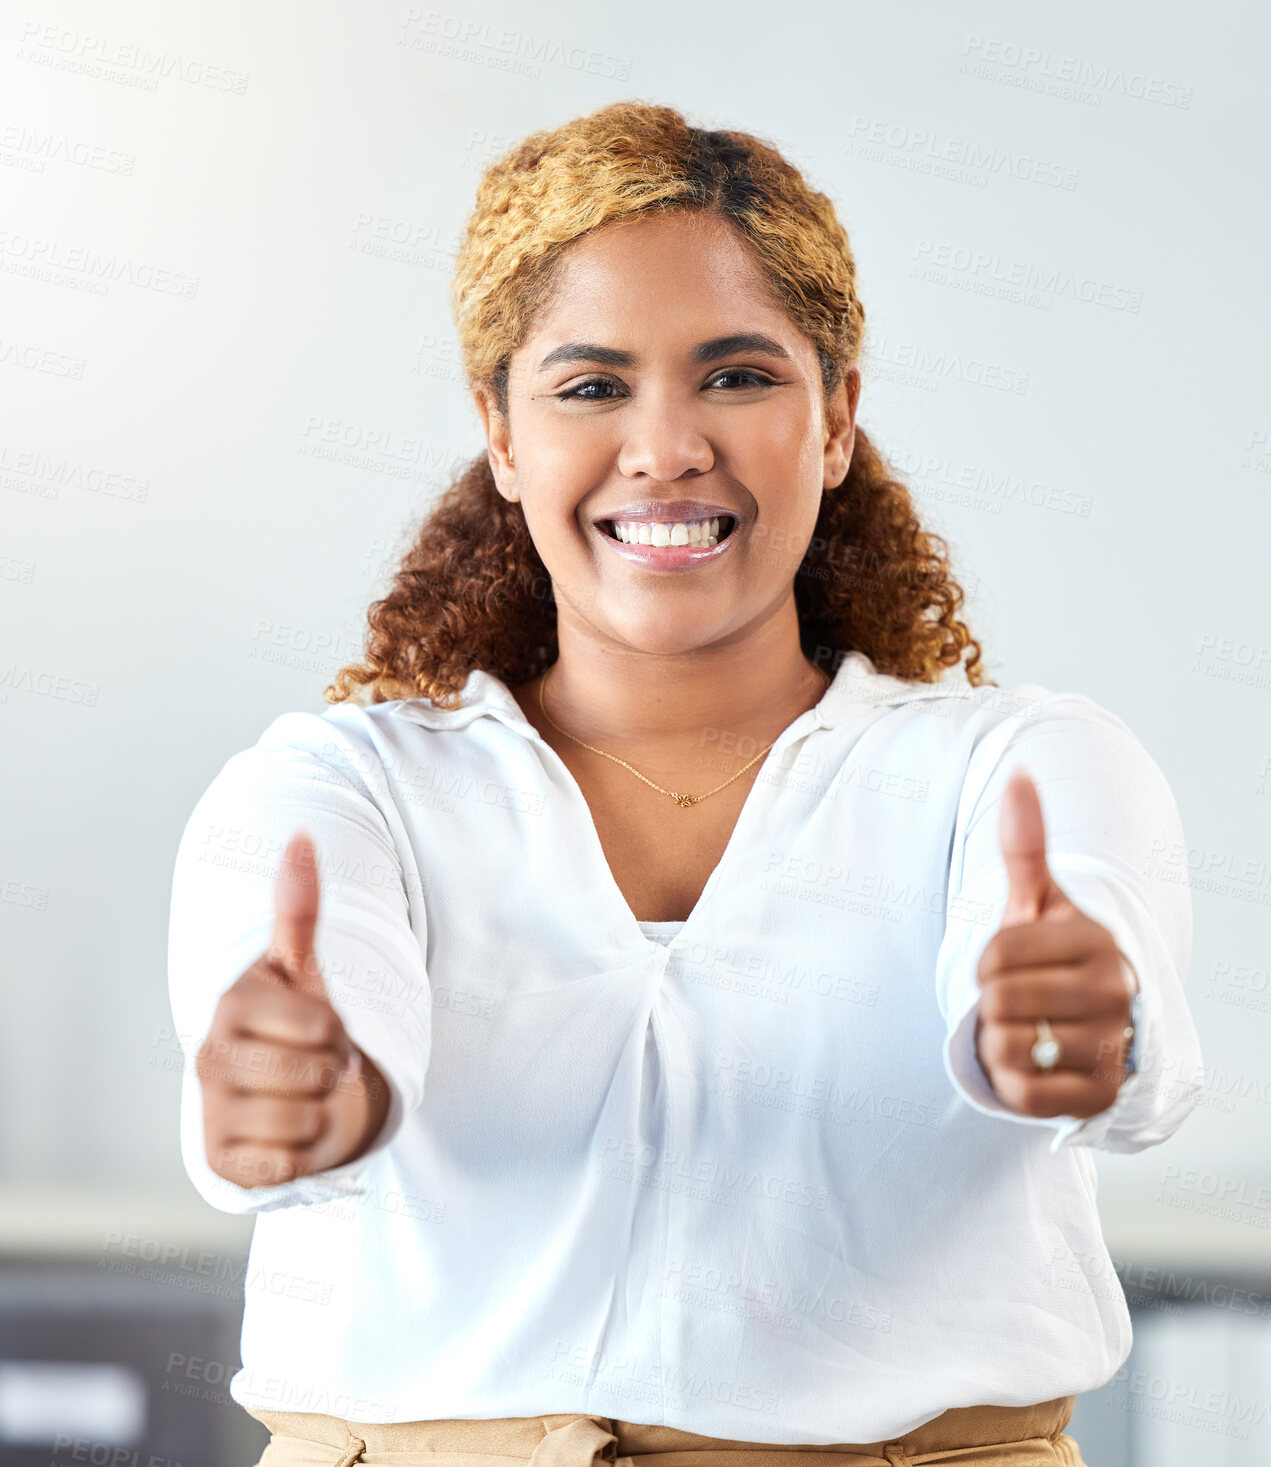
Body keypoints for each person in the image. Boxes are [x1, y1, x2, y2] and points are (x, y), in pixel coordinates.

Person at [167, 100, 1202, 1467]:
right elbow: (310, 1042)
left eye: (738, 376)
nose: (665, 448)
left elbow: (1112, 1044)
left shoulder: (1015, 772)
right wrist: (298, 1096)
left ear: (835, 421)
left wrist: (1076, 1037)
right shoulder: (340, 790)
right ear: (502, 431)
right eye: (591, 386)